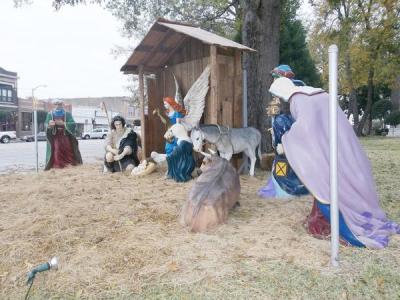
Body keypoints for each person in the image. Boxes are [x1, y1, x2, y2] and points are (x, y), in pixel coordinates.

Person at [268, 77, 400, 248]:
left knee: (323, 190)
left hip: (324, 153)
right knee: (342, 185)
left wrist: (285, 141)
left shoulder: (298, 99)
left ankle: (350, 235)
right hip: (340, 146)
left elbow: (304, 129)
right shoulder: (318, 94)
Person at [259, 65, 308, 198]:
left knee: (284, 164)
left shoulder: (292, 96)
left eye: (276, 78)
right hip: (282, 139)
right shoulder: (279, 98)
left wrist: (282, 143)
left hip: (287, 142)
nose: (273, 81)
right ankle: (280, 186)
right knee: (281, 163)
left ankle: (286, 189)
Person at [44, 99, 82, 170]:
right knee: (57, 152)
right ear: (54, 105)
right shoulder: (50, 114)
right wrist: (50, 125)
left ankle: (70, 167)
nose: (58, 106)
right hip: (56, 138)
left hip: (65, 137)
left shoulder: (67, 114)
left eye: (59, 104)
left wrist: (64, 124)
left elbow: (73, 124)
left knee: (68, 153)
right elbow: (46, 125)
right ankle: (57, 168)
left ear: (62, 105)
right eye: (56, 104)